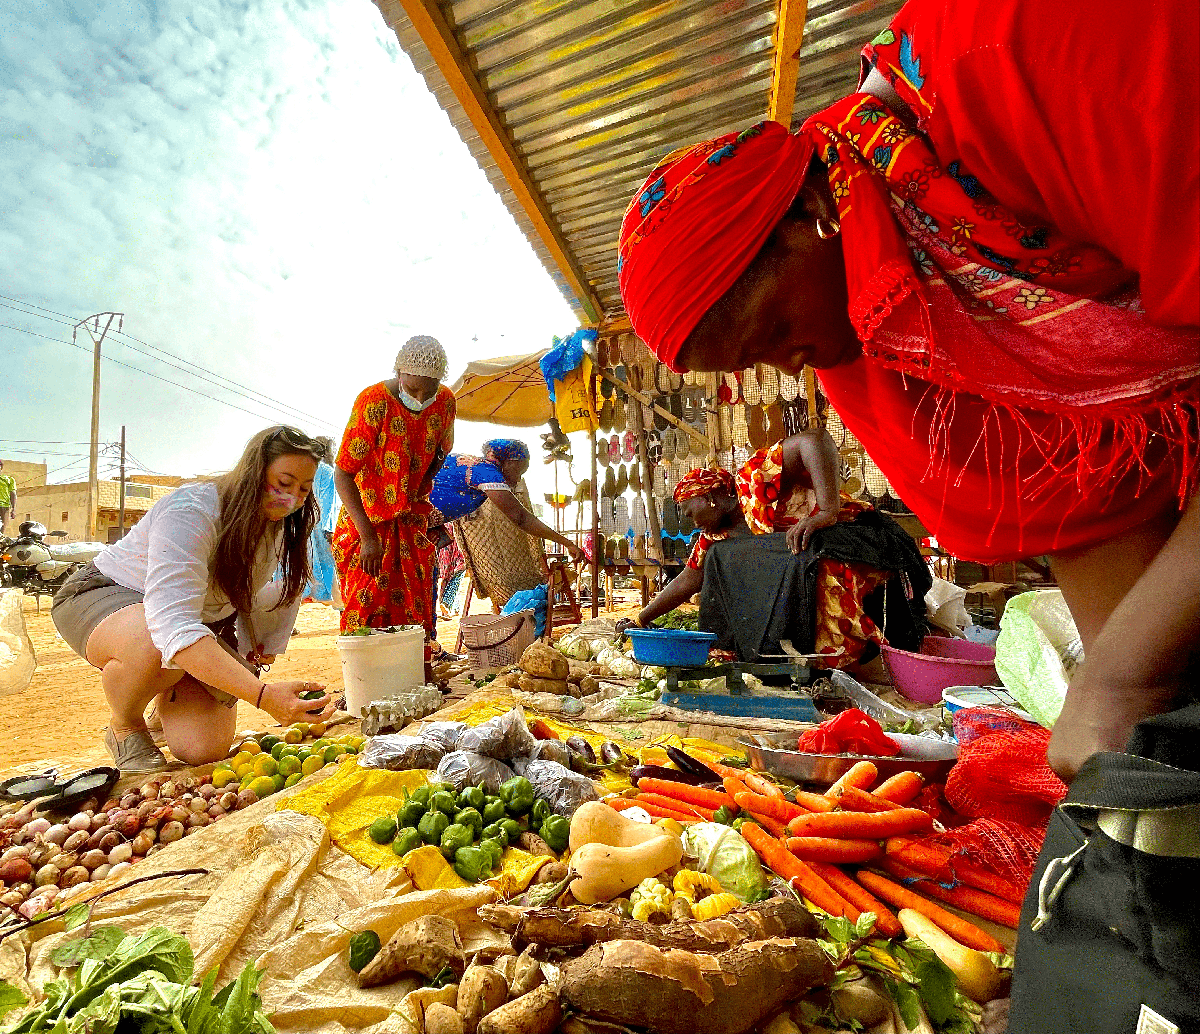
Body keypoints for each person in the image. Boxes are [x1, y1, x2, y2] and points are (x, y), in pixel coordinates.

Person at [617, 0, 1198, 782]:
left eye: (770, 334)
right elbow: (1082, 497)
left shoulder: (1025, 61)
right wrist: (1129, 705)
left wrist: (1127, 675)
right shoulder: (878, 311)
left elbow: (1134, 672)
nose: (793, 369)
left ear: (811, 213)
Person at [49, 426, 334, 772]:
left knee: (203, 748)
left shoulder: (277, 524)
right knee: (154, 645)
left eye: (304, 490)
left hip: (187, 618)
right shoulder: (192, 510)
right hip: (113, 594)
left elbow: (248, 593)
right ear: (252, 472)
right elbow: (171, 624)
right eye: (284, 483)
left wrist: (261, 641)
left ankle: (162, 700)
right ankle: (125, 725)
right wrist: (263, 696)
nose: (292, 500)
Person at [623, 431, 925, 667]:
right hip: (815, 566)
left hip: (856, 540)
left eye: (690, 512)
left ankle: (856, 660)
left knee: (811, 558)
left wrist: (826, 512)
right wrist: (640, 620)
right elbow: (687, 580)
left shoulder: (753, 479)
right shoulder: (715, 538)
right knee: (742, 561)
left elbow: (814, 440)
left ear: (710, 497)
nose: (693, 523)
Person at [332, 335, 455, 637]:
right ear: (399, 372)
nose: (422, 396)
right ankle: (367, 682)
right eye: (414, 388)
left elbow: (441, 452)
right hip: (369, 524)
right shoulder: (373, 401)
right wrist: (368, 536)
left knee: (415, 618)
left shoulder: (445, 402)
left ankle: (414, 678)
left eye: (430, 389)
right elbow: (343, 473)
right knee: (365, 616)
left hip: (411, 524)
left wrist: (421, 488)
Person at [427, 439, 585, 645]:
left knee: (426, 588)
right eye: (521, 469)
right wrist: (567, 543)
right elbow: (521, 518)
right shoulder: (487, 472)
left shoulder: (475, 466)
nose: (519, 477)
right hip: (408, 527)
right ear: (509, 461)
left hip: (421, 530)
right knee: (418, 590)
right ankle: (421, 648)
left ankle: (428, 647)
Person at [305, 436, 340, 606]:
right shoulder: (327, 472)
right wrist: (329, 529)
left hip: (302, 529)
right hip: (321, 530)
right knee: (332, 572)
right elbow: (329, 504)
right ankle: (345, 614)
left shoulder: (304, 469)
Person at [0, 459, 16, 533]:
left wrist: (13, 509)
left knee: (3, 527)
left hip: (4, 506)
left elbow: (13, 494)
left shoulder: (9, 479)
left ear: (1, 467)